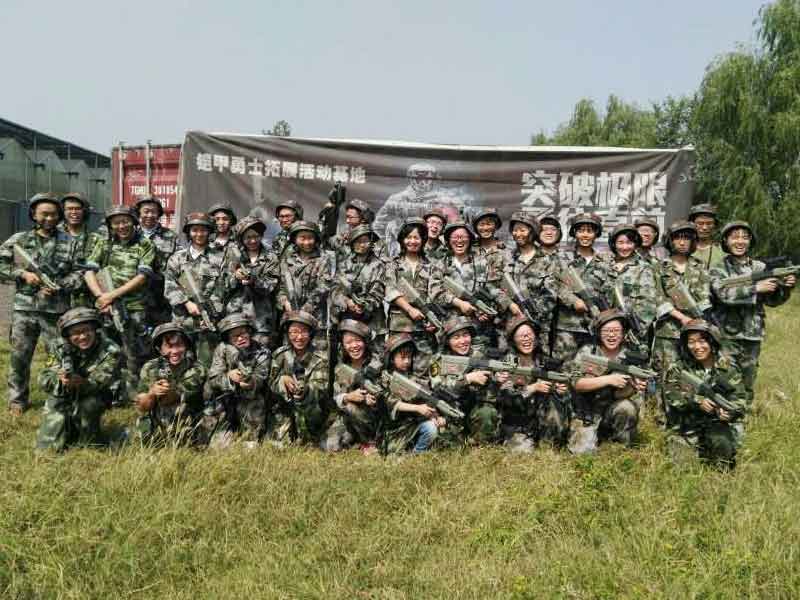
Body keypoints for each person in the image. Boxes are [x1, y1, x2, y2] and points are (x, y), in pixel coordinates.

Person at [0, 193, 84, 416]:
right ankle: (17, 400)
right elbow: (1, 263)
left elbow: (80, 272)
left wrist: (61, 286)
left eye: (54, 214)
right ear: (34, 215)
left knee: (58, 357)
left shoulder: (70, 242)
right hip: (25, 309)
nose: (49, 218)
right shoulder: (20, 240)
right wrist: (22, 274)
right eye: (44, 214)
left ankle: (57, 399)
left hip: (55, 311)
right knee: (20, 357)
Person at [709, 221, 795, 405]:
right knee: (724, 380)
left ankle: (741, 418)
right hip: (725, 335)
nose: (740, 241)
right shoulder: (719, 268)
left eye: (744, 237)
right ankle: (720, 420)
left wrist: (785, 288)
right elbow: (723, 295)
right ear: (726, 240)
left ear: (750, 241)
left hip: (752, 334)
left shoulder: (760, 267)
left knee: (748, 381)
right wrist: (755, 288)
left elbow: (773, 301)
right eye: (735, 237)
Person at [84, 206, 156, 391]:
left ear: (133, 221)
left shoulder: (144, 244)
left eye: (125, 221)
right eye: (116, 222)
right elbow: (89, 271)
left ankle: (134, 391)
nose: (121, 225)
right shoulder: (104, 243)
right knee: (107, 349)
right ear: (110, 225)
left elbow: (142, 277)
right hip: (106, 307)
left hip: (134, 307)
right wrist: (101, 297)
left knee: (135, 351)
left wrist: (112, 295)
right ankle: (109, 391)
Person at [662, 320, 747, 467]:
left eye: (702, 341)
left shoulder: (728, 368)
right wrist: (697, 401)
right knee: (683, 467)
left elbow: (739, 401)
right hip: (685, 427)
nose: (697, 347)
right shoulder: (678, 367)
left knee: (723, 457)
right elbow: (672, 395)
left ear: (712, 342)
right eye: (691, 342)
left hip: (717, 425)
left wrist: (728, 413)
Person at [36, 308, 122, 451]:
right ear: (67, 336)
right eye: (75, 333)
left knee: (89, 409)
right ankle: (67, 429)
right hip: (63, 392)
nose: (82, 337)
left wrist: (82, 383)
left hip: (96, 393)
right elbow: (43, 379)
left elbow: (102, 383)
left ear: (95, 329)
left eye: (87, 330)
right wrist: (60, 380)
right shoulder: (58, 347)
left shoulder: (111, 349)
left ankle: (90, 437)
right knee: (47, 449)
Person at [566, 310, 649, 454]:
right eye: (607, 331)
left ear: (623, 333)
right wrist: (608, 380)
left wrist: (633, 387)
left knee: (627, 407)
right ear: (598, 333)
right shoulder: (588, 351)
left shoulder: (630, 356)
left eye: (616, 331)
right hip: (586, 413)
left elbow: (619, 395)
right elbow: (577, 384)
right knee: (583, 454)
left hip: (611, 411)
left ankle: (621, 446)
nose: (611, 335)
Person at [434, 220, 513, 353]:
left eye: (463, 237)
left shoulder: (481, 262)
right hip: (451, 331)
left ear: (470, 239)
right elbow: (435, 292)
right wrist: (459, 303)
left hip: (479, 331)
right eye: (455, 237)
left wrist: (485, 310)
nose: (459, 240)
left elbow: (493, 289)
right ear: (448, 240)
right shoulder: (440, 264)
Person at [653, 221, 711, 395]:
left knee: (690, 375)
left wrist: (696, 320)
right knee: (664, 375)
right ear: (670, 241)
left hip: (696, 333)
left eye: (687, 238)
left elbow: (705, 297)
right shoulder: (659, 267)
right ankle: (661, 418)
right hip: (668, 332)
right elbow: (656, 297)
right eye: (678, 238)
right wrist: (681, 317)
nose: (682, 242)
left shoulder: (699, 266)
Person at [497, 316, 571, 452]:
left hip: (542, 420)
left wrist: (561, 391)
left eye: (529, 334)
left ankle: (551, 442)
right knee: (522, 454)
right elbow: (505, 397)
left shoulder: (546, 362)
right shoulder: (506, 363)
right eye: (520, 336)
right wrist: (532, 388)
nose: (526, 338)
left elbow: (565, 393)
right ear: (513, 340)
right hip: (518, 424)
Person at [164, 212, 228, 366]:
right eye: (195, 230)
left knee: (207, 364)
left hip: (209, 321)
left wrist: (211, 309)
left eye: (203, 230)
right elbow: (169, 285)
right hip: (182, 320)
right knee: (181, 362)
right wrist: (187, 303)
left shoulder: (220, 257)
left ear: (210, 231)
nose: (199, 234)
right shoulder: (177, 258)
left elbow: (224, 286)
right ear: (188, 232)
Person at [204, 313, 272, 448]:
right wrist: (229, 377)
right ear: (228, 338)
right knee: (218, 447)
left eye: (243, 333)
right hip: (223, 400)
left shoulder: (262, 352)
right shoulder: (221, 349)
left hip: (249, 400)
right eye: (235, 336)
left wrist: (250, 383)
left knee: (251, 446)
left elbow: (260, 379)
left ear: (250, 332)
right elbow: (213, 379)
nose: (240, 338)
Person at [385, 217, 442, 375]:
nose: (412, 241)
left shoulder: (432, 265)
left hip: (423, 329)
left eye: (416, 237)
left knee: (422, 371)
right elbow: (390, 290)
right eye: (408, 237)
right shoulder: (393, 264)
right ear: (402, 240)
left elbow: (435, 294)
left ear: (423, 239)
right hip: (399, 327)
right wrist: (410, 309)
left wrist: (432, 320)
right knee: (399, 370)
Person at [134, 322, 207, 445]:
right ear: (159, 349)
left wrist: (165, 391)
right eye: (169, 346)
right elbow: (142, 406)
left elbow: (175, 397)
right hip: (159, 420)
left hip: (188, 419)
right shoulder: (149, 367)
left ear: (186, 346)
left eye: (179, 345)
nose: (175, 351)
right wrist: (151, 393)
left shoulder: (197, 368)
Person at [430, 317, 499, 446]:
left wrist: (496, 380)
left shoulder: (478, 356)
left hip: (472, 409)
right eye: (456, 337)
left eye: (465, 335)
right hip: (448, 412)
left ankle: (480, 444)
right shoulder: (437, 361)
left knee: (487, 412)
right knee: (448, 448)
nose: (462, 341)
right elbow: (438, 389)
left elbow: (490, 392)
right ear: (447, 341)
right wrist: (467, 379)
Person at [552, 212, 610, 363]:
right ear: (574, 233)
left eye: (590, 231)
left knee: (589, 369)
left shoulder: (605, 262)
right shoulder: (562, 258)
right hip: (567, 326)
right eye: (581, 230)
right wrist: (573, 301)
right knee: (563, 368)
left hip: (594, 326)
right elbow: (555, 285)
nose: (585, 235)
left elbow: (608, 290)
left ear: (596, 234)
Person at [268, 311, 330, 446]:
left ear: (311, 334)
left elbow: (321, 389)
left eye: (304, 332)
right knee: (280, 446)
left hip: (311, 410)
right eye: (294, 332)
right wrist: (282, 381)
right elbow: (271, 382)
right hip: (285, 408)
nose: (299, 337)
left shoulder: (321, 358)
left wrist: (304, 390)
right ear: (288, 334)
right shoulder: (280, 355)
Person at [603, 223, 664, 358]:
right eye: (620, 242)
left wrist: (634, 330)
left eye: (629, 242)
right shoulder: (605, 264)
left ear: (636, 244)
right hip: (605, 331)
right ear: (613, 244)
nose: (624, 247)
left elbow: (648, 305)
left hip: (632, 333)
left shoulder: (643, 268)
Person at [323, 319, 383, 453]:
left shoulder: (377, 365)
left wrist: (371, 401)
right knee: (331, 446)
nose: (354, 346)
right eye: (348, 342)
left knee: (352, 407)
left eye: (358, 341)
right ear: (343, 345)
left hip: (373, 418)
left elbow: (385, 396)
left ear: (366, 343)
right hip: (347, 418)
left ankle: (370, 443)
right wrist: (348, 396)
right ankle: (356, 442)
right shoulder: (341, 367)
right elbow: (335, 397)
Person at [276, 221, 334, 348]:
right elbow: (280, 287)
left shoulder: (323, 258)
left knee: (318, 355)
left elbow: (324, 287)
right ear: (295, 239)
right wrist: (284, 301)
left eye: (310, 238)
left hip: (315, 318)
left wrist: (305, 309)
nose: (307, 242)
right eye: (302, 238)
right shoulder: (287, 259)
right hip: (291, 318)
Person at [381, 334, 442, 454]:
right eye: (402, 357)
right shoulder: (385, 377)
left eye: (409, 357)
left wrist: (435, 415)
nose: (407, 361)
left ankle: (417, 453)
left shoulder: (414, 379)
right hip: (392, 429)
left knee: (432, 428)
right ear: (391, 358)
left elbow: (426, 400)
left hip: (412, 425)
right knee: (393, 454)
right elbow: (390, 402)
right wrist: (417, 408)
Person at [331, 224, 387, 353]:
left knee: (374, 358)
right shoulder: (345, 263)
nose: (362, 245)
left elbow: (378, 290)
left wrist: (364, 305)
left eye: (366, 241)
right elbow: (335, 289)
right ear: (352, 242)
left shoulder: (379, 264)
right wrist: (347, 302)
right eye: (358, 241)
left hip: (372, 321)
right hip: (348, 319)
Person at [225, 216, 280, 348]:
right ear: (241, 239)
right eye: (248, 237)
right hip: (237, 316)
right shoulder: (233, 255)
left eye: (256, 236)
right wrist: (235, 277)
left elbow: (271, 286)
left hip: (261, 318)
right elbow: (224, 284)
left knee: (262, 354)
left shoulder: (271, 257)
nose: (253, 240)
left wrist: (253, 281)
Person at [135, 195, 180, 326]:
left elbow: (179, 266)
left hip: (161, 297)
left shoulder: (171, 236)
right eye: (146, 211)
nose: (149, 215)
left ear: (159, 214)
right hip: (135, 296)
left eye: (153, 212)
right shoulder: (131, 235)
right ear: (139, 213)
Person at [59, 192, 99, 308]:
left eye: (78, 209)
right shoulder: (52, 235)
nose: (74, 212)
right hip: (54, 303)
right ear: (63, 212)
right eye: (69, 209)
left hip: (84, 302)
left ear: (85, 211)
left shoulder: (95, 239)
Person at [689, 203, 725, 270]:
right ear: (692, 224)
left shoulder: (723, 251)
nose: (705, 227)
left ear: (715, 225)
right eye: (700, 223)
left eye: (709, 223)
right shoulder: (684, 249)